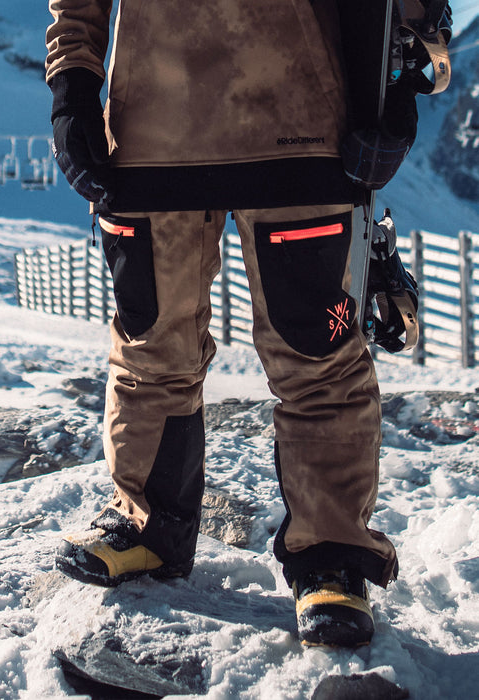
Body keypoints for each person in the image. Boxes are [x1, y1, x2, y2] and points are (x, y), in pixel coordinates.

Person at [45, 0, 418, 649]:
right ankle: (149, 524)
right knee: (150, 344)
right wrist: (72, 86)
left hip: (299, 118)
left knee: (317, 357)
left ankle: (331, 553)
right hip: (150, 130)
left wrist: (401, 76)